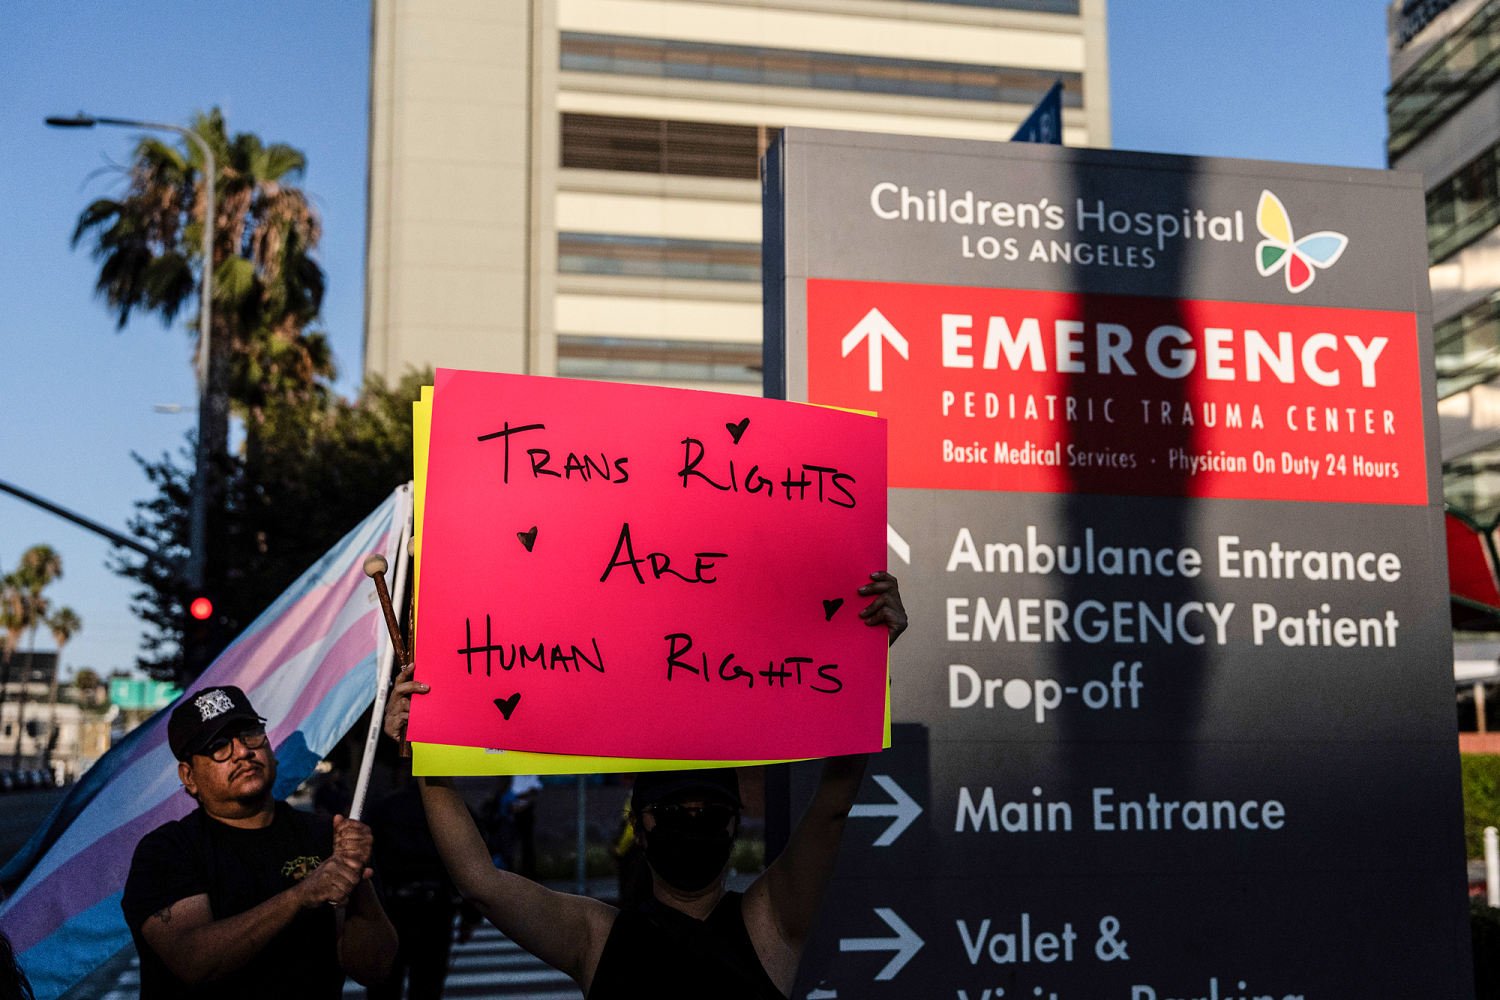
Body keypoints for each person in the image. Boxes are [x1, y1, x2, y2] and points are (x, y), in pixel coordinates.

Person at [383, 572, 905, 999]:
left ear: (735, 822)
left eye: (709, 813)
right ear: (639, 823)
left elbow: (832, 807)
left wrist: (867, 655)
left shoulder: (766, 920)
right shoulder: (597, 935)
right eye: (677, 812)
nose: (694, 824)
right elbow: (479, 881)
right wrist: (428, 748)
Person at [121, 685, 396, 998]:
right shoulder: (167, 850)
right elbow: (193, 961)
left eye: (250, 734)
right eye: (219, 746)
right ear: (189, 777)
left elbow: (375, 969)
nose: (242, 752)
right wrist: (301, 895)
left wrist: (356, 880)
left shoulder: (327, 835)